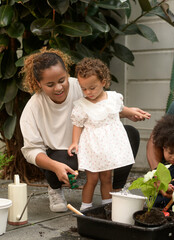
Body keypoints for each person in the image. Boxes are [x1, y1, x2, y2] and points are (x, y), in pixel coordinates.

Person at [20, 48, 150, 213]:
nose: (59, 88)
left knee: (130, 133)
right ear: (39, 84)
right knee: (57, 160)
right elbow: (31, 150)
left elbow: (102, 105)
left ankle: (117, 190)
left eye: (62, 80)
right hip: (64, 155)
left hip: (91, 145)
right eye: (50, 84)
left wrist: (127, 112)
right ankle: (55, 188)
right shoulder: (34, 106)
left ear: (67, 74)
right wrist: (55, 167)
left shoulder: (81, 85)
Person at [67, 58, 138, 210]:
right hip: (92, 147)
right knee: (91, 179)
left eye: (92, 88)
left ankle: (108, 206)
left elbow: (119, 111)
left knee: (106, 178)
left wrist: (133, 112)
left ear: (103, 82)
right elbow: (77, 125)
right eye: (83, 89)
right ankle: (86, 207)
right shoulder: (82, 105)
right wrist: (75, 142)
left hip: (110, 146)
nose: (88, 92)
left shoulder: (113, 98)